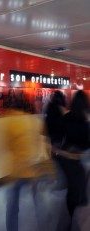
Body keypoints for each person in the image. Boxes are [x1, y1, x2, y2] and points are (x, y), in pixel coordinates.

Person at [3, 100, 42, 231]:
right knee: (38, 202)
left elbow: (7, 146)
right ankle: (43, 225)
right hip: (33, 169)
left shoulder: (11, 122)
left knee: (12, 207)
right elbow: (38, 144)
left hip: (16, 171)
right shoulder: (36, 122)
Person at [54, 90, 90, 218]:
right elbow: (86, 144)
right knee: (78, 189)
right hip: (79, 159)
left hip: (65, 158)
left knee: (72, 189)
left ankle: (72, 215)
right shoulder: (85, 123)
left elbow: (58, 136)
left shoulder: (66, 117)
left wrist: (61, 149)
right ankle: (76, 216)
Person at [44, 90, 68, 188]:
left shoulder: (50, 107)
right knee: (59, 158)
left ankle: (58, 180)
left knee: (55, 158)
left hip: (52, 137)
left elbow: (47, 121)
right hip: (61, 137)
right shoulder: (62, 108)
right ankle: (60, 180)